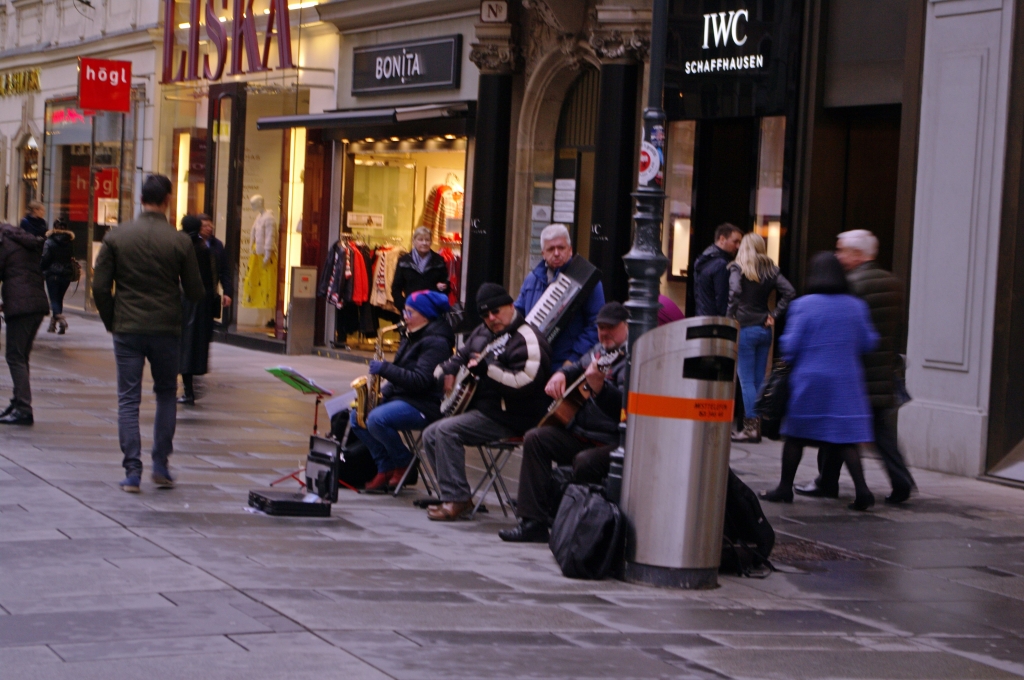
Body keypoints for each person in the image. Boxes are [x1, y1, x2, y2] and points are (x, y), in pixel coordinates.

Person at [92, 175, 205, 493]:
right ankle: (161, 465)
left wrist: (112, 319)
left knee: (128, 399)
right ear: (168, 200)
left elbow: (100, 286)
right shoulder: (179, 241)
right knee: (167, 394)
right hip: (166, 328)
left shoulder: (117, 236)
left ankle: (131, 471)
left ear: (140, 199)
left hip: (127, 327)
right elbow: (196, 291)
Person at [796, 230, 916, 504]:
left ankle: (828, 482)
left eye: (842, 251)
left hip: (854, 371)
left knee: (834, 428)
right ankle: (900, 480)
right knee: (880, 432)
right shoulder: (892, 282)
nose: (838, 256)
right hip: (883, 370)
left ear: (858, 254)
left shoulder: (851, 286)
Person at [499, 302, 630, 543]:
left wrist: (600, 389)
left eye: (610, 328)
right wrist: (561, 373)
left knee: (584, 462)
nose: (604, 333)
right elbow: (578, 367)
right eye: (600, 328)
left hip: (611, 441)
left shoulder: (632, 361)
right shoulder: (599, 350)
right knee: (536, 438)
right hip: (580, 431)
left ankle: (573, 520)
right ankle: (532, 521)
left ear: (626, 327)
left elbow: (625, 409)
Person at [760, 252, 878, 511]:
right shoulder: (856, 305)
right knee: (846, 439)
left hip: (810, 381)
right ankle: (862, 491)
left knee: (795, 437)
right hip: (846, 382)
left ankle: (784, 487)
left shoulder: (804, 305)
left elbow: (790, 346)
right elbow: (869, 342)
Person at [424, 283, 552, 521]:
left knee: (445, 431)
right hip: (486, 409)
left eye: (496, 311)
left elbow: (525, 383)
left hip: (513, 415)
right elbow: (461, 355)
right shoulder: (483, 331)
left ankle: (458, 499)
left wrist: (487, 370)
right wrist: (446, 370)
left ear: (511, 306)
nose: (491, 319)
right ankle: (452, 494)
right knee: (431, 433)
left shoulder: (528, 338)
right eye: (485, 315)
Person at [349, 290, 455, 492]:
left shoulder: (437, 342)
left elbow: (421, 381)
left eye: (410, 313)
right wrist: (382, 394)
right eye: (404, 312)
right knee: (357, 417)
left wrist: (386, 369)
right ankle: (385, 467)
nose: (404, 317)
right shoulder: (411, 335)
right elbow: (404, 373)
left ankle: (404, 461)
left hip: (425, 404)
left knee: (377, 419)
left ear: (425, 315)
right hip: (405, 397)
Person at [727, 232, 795, 443]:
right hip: (764, 330)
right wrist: (774, 314)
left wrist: (729, 316)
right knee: (758, 381)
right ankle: (757, 427)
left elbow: (735, 290)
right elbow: (790, 292)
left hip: (746, 329)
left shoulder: (738, 268)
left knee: (746, 381)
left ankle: (750, 428)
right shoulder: (771, 270)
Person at [514, 223, 605, 367]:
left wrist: (573, 360)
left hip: (568, 364)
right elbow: (517, 314)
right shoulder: (531, 280)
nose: (556, 253)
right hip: (533, 363)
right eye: (551, 249)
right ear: (543, 253)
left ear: (570, 250)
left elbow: (596, 324)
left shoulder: (588, 279)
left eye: (561, 248)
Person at [0, 221, 49, 425]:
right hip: (35, 303)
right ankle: (18, 401)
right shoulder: (21, 239)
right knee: (21, 355)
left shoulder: (4, 243)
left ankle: (23, 407)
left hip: (22, 306)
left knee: (15, 355)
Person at [177, 215, 219, 406]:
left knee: (186, 345)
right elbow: (212, 278)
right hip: (202, 303)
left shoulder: (185, 247)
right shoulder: (204, 249)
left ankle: (188, 390)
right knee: (194, 346)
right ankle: (189, 389)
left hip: (188, 302)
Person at [391, 226, 449, 312]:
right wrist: (403, 306)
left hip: (432, 311)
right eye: (420, 239)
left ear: (431, 242)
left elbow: (446, 285)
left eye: (427, 240)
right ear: (413, 241)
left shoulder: (439, 261)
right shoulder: (404, 261)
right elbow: (396, 288)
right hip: (410, 310)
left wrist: (444, 287)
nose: (424, 243)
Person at [693, 223, 743, 317]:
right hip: (714, 323)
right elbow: (722, 301)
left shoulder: (703, 259)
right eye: (735, 242)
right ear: (722, 239)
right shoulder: (722, 264)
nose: (738, 246)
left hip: (701, 317)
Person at [40, 219, 76, 335]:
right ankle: (53, 325)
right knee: (59, 299)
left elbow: (45, 258)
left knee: (54, 299)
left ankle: (61, 320)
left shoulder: (49, 242)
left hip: (53, 274)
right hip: (66, 274)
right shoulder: (69, 242)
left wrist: (40, 269)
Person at [199, 214, 233, 309]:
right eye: (205, 226)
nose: (209, 228)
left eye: (211, 226)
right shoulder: (191, 243)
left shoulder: (217, 244)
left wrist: (227, 292)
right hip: (193, 293)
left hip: (211, 291)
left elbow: (224, 269)